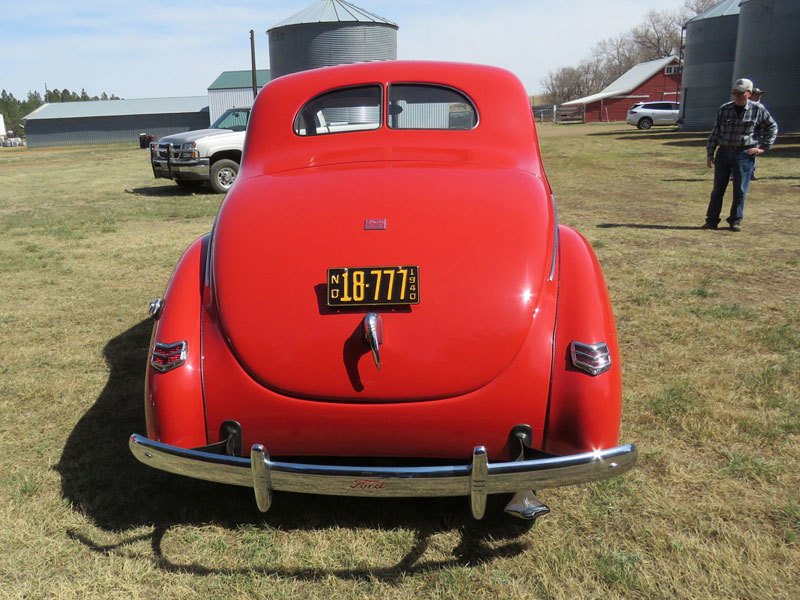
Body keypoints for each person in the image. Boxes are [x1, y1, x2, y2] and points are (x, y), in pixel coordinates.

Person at [703, 78, 778, 232]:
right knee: (718, 189)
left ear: (749, 93)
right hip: (724, 152)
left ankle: (735, 221)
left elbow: (772, 127)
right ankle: (711, 220)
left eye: (740, 93)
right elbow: (716, 131)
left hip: (744, 153)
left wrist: (763, 147)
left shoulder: (758, 110)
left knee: (740, 190)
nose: (737, 96)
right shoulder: (725, 109)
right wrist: (710, 153)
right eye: (734, 93)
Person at [750, 87, 765, 180]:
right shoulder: (744, 105)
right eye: (757, 94)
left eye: (760, 94)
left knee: (753, 153)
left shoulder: (760, 107)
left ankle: (751, 173)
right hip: (746, 134)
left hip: (756, 134)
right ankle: (734, 174)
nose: (759, 96)